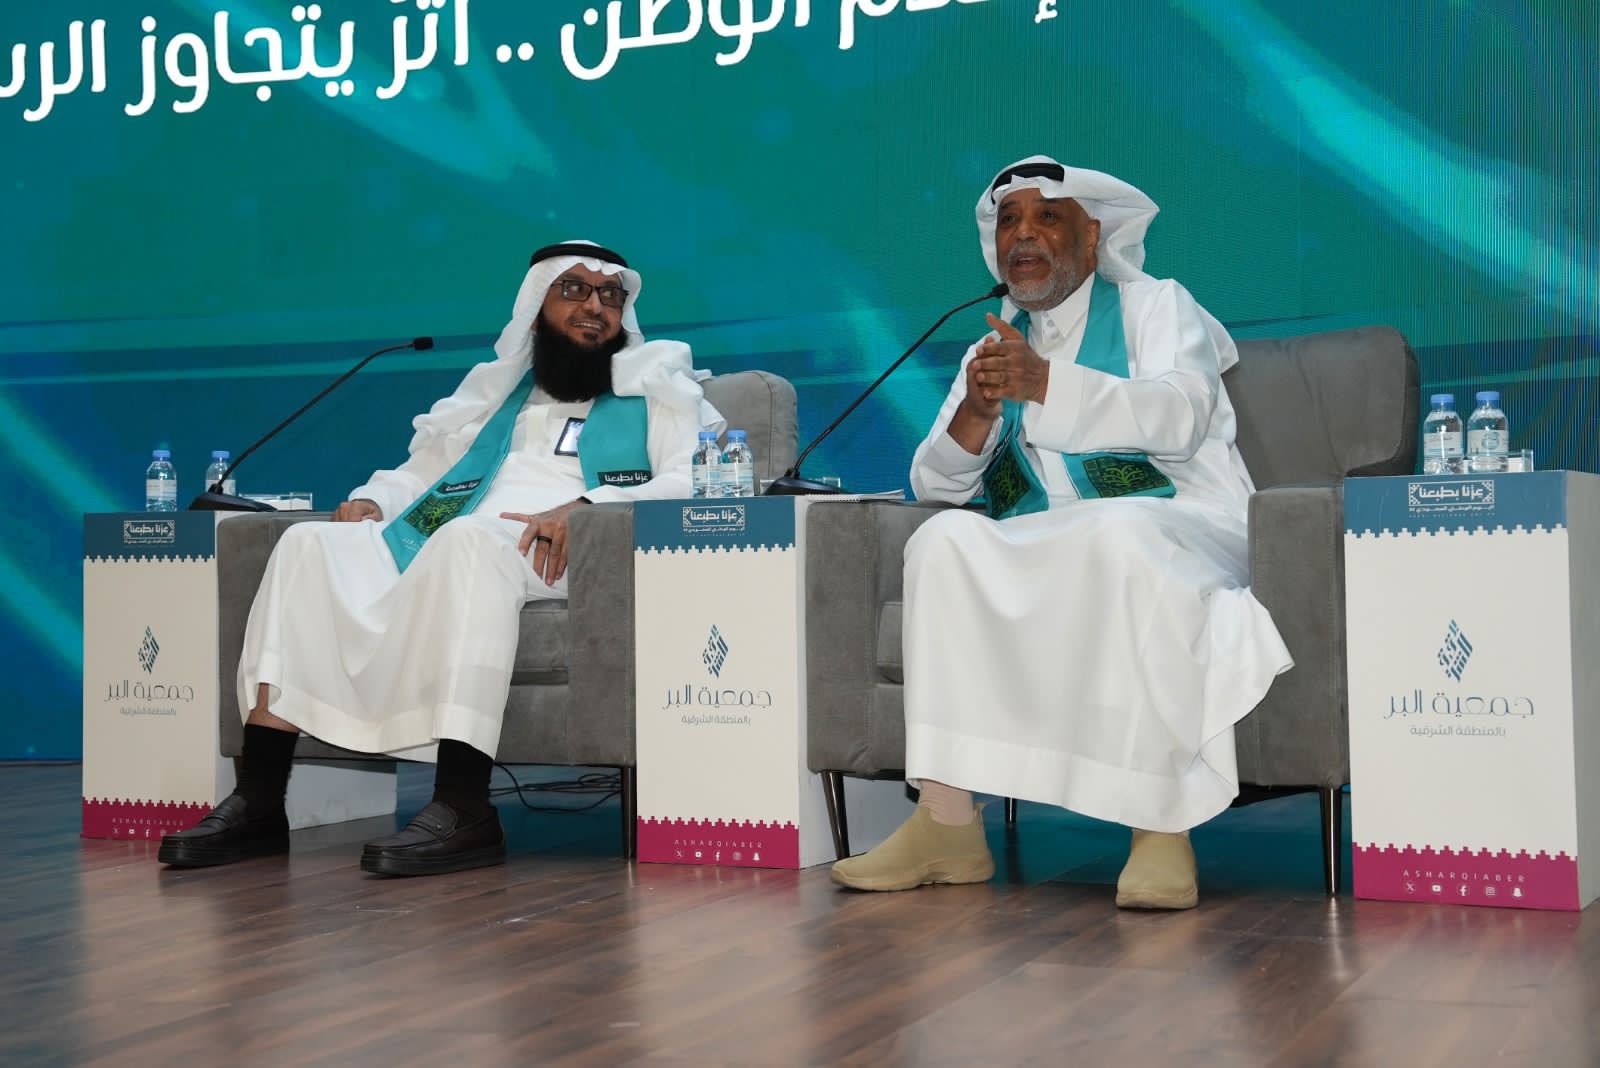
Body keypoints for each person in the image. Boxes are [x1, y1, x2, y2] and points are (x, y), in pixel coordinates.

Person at [159, 241, 722, 876]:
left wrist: (589, 506)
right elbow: (424, 474)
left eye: (610, 295)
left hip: (573, 554)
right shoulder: (496, 394)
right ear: (536, 306)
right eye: (574, 290)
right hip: (452, 544)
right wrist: (374, 500)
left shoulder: (655, 386)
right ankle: (260, 802)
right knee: (308, 545)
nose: (595, 306)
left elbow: (698, 478)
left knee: (467, 541)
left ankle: (465, 806)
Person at [830, 157, 1293, 908]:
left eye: (1048, 217)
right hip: (1053, 539)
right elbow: (935, 485)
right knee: (941, 543)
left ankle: (1159, 827)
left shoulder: (1157, 306)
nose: (1024, 234)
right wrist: (977, 410)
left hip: (1183, 523)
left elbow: (1179, 418)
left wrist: (1044, 383)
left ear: (1093, 236)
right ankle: (946, 823)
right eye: (1009, 220)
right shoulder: (993, 342)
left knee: (1116, 533)